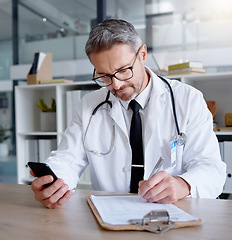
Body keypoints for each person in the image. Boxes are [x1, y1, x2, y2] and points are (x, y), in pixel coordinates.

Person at [31, 19, 226, 209]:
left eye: (123, 70)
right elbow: (67, 159)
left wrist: (183, 185)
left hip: (172, 214)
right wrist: (54, 180)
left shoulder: (187, 99)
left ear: (142, 54)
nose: (116, 85)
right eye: (104, 76)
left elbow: (211, 168)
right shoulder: (88, 106)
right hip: (108, 216)